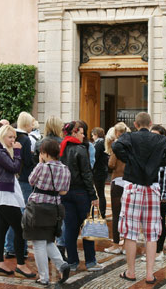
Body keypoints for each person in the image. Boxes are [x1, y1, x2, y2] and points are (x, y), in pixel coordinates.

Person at [112, 112, 166, 285]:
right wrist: (157, 162)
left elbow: (116, 146)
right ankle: (150, 274)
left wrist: (129, 160)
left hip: (133, 186)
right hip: (152, 187)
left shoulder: (130, 137)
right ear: (150, 124)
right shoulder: (158, 140)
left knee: (130, 231)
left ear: (136, 124)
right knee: (151, 232)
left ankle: (131, 271)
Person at [0, 124, 36, 279]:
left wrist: (14, 151)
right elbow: (16, 168)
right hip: (4, 195)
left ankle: (0, 264)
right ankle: (21, 265)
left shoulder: (0, 151)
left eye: (14, 137)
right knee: (19, 229)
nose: (13, 140)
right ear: (2, 137)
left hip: (5, 193)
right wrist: (17, 151)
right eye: (10, 137)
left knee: (2, 230)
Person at [24, 138, 71, 286]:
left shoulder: (41, 167)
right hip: (55, 208)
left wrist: (40, 163)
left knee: (38, 242)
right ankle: (61, 264)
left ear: (44, 153)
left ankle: (43, 278)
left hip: (37, 207)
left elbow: (31, 181)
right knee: (49, 240)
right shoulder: (65, 169)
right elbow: (64, 191)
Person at [60, 121, 103, 272]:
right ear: (74, 132)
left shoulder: (62, 147)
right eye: (81, 133)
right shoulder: (80, 149)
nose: (84, 135)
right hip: (80, 193)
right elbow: (86, 174)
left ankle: (72, 262)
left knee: (70, 229)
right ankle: (90, 261)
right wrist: (93, 195)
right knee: (87, 227)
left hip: (65, 192)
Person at [33, 116, 66, 258]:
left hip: (42, 186)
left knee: (43, 221)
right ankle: (59, 248)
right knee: (59, 220)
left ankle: (47, 249)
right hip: (58, 187)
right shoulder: (62, 143)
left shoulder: (39, 143)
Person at [140, 124, 166, 262]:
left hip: (160, 195)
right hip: (148, 194)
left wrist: (164, 195)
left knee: (160, 223)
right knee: (149, 224)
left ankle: (159, 251)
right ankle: (152, 250)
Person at [4, 111, 35, 258]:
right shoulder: (25, 139)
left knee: (13, 212)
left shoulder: (11, 135)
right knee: (22, 214)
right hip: (24, 178)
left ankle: (10, 246)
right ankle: (17, 248)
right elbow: (28, 161)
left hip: (12, 177)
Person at [104, 122, 130, 254]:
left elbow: (111, 164)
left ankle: (115, 244)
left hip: (118, 181)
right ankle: (126, 245)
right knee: (127, 215)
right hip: (129, 182)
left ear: (116, 133)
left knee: (116, 214)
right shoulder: (132, 145)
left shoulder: (117, 146)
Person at [91, 127, 107, 218]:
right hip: (101, 171)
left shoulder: (98, 144)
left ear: (96, 135)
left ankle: (101, 213)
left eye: (93, 135)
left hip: (97, 171)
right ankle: (102, 213)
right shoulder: (103, 143)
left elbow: (94, 158)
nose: (92, 137)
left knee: (99, 194)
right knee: (101, 193)